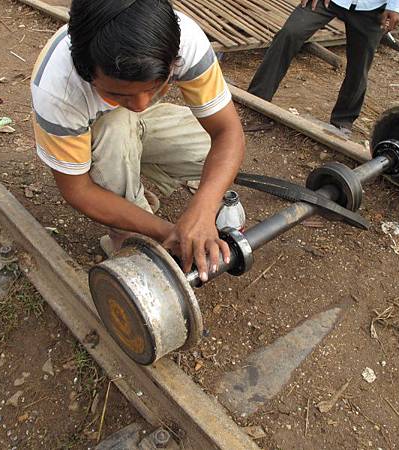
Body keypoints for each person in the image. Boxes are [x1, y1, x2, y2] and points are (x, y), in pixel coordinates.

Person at [30, 0, 245, 282]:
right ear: (87, 73)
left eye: (156, 87)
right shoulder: (58, 91)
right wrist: (167, 232)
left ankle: (132, 179)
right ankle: (124, 235)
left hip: (133, 128)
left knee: (211, 155)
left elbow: (228, 133)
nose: (140, 104)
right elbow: (78, 190)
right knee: (114, 124)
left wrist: (204, 207)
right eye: (118, 94)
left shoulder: (185, 41)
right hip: (97, 131)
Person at [248, 0, 399, 133]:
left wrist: (396, 5)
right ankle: (256, 101)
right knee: (290, 33)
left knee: (360, 64)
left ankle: (342, 122)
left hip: (373, 7)